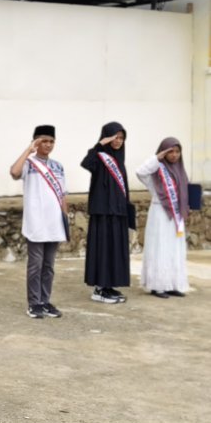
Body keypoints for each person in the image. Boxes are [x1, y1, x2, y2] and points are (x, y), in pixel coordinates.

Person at [9, 125, 68, 319]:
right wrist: (28, 150)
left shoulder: (58, 166)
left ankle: (45, 301)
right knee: (35, 264)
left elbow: (63, 195)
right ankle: (34, 303)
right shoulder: (29, 163)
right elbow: (14, 172)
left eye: (51, 141)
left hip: (54, 223)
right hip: (36, 222)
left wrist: (65, 219)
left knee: (49, 266)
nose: (48, 145)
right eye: (44, 141)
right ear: (36, 142)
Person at [81, 121, 131, 303]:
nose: (118, 141)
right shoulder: (99, 157)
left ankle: (109, 285)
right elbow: (86, 163)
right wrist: (100, 144)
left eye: (121, 138)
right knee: (102, 249)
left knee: (114, 251)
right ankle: (99, 289)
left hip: (117, 214)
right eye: (115, 137)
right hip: (102, 213)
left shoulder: (120, 160)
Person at [136, 137, 190, 298]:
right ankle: (157, 286)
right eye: (170, 151)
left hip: (176, 217)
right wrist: (157, 158)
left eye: (177, 152)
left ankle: (172, 284)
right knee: (159, 248)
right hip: (160, 214)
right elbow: (140, 172)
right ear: (163, 152)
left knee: (174, 250)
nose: (174, 155)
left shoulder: (180, 171)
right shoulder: (156, 171)